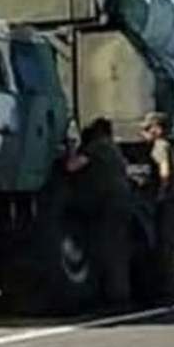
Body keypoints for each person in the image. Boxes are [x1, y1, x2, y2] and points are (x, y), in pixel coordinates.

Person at [66, 118, 132, 309]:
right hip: (122, 202)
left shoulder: (97, 147)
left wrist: (71, 149)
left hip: (107, 204)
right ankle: (120, 293)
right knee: (118, 249)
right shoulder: (114, 149)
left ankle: (111, 295)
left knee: (106, 248)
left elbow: (72, 166)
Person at [140, 111, 174, 298]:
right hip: (172, 200)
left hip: (166, 202)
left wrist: (160, 192)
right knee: (172, 244)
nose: (145, 132)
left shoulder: (160, 146)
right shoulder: (171, 145)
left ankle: (167, 288)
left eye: (148, 128)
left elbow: (164, 172)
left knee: (165, 245)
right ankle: (171, 284)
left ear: (157, 129)